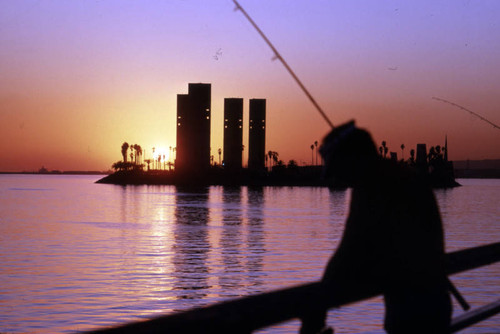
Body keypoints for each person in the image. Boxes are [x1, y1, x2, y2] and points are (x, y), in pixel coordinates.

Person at [301, 121, 452, 334]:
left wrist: (316, 311)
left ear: (352, 158)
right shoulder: (403, 175)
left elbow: (349, 250)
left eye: (337, 166)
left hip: (412, 312)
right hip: (434, 302)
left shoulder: (373, 184)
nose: (335, 176)